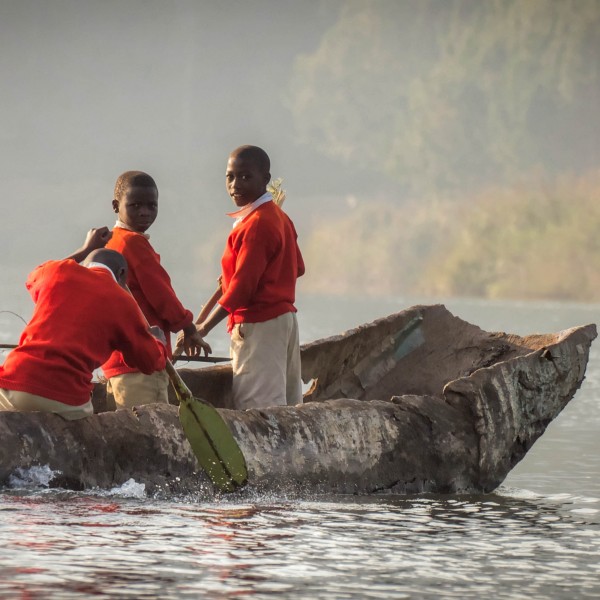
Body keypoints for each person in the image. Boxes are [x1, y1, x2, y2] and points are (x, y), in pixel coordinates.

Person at [178, 145, 305, 410]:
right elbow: (298, 267)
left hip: (260, 324)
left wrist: (203, 328)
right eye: (230, 176)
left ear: (266, 180)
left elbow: (242, 290)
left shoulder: (257, 223)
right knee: (289, 409)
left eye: (246, 177)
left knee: (259, 410)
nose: (236, 184)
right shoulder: (278, 217)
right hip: (285, 322)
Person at [0, 228, 168, 420]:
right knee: (91, 426)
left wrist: (84, 248)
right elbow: (148, 362)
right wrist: (158, 342)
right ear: (121, 274)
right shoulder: (123, 301)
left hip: (13, 384)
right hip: (65, 399)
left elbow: (32, 278)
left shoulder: (57, 271)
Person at [102, 171, 209, 409]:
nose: (145, 211)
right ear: (115, 206)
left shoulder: (109, 242)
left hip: (116, 361)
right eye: (135, 205)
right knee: (151, 432)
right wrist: (188, 328)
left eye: (152, 205)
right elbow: (162, 296)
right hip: (142, 361)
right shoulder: (133, 243)